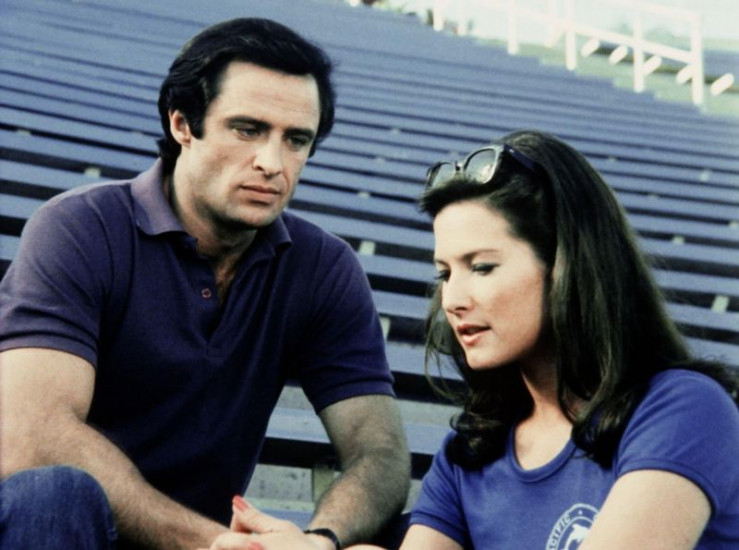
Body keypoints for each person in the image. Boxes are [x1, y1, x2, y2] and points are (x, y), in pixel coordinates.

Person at [200, 130, 739, 550]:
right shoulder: (470, 453)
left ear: (567, 267)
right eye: (445, 273)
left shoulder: (682, 408)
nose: (453, 298)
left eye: (482, 267)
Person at [0, 17, 410, 550]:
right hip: (68, 535)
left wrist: (318, 541)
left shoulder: (323, 267)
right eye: (247, 130)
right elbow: (31, 437)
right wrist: (214, 543)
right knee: (54, 495)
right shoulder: (82, 228)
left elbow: (379, 453)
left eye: (296, 140)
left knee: (418, 534)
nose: (272, 163)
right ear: (182, 125)